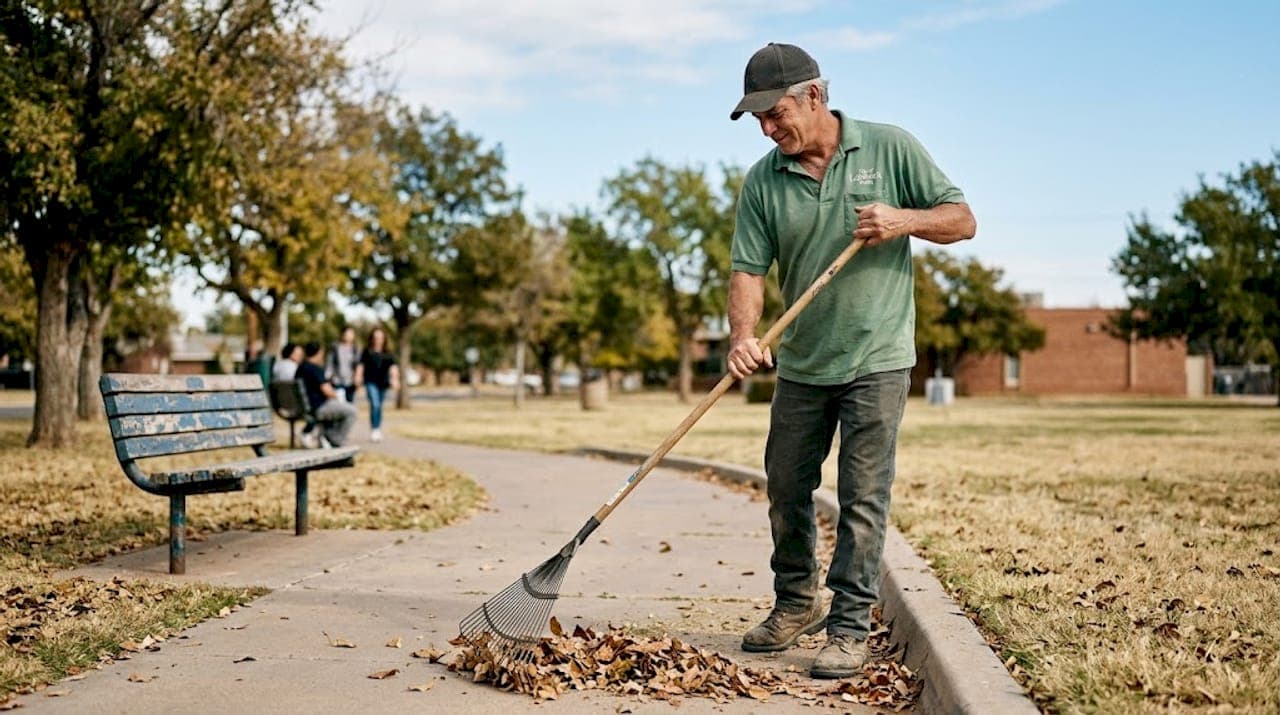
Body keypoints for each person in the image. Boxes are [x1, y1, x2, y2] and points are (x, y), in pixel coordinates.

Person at [726, 43, 976, 679]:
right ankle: (795, 602)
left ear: (814, 96)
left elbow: (962, 220)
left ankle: (847, 624)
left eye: (775, 112)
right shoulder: (764, 180)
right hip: (805, 362)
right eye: (758, 119)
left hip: (877, 357)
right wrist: (743, 337)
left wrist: (902, 220)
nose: (767, 128)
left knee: (863, 495)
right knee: (786, 484)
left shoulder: (889, 147)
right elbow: (748, 270)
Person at [296, 342, 357, 447]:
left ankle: (328, 436)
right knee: (351, 411)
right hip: (317, 407)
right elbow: (327, 390)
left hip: (304, 407)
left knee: (337, 408)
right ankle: (336, 439)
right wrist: (337, 395)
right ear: (319, 353)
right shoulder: (315, 369)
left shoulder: (300, 368)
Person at [354, 327, 399, 443]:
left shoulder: (388, 353)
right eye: (375, 337)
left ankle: (377, 428)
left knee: (379, 406)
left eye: (380, 338)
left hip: (383, 383)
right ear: (372, 339)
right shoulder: (367, 351)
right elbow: (361, 365)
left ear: (384, 339)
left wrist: (395, 379)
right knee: (375, 404)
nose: (378, 340)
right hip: (370, 382)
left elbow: (393, 367)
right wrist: (358, 377)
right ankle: (374, 429)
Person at [326, 326, 360, 403]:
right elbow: (329, 364)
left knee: (350, 404)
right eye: (347, 334)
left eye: (351, 334)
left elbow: (358, 365)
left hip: (350, 382)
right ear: (342, 334)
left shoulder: (355, 349)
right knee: (340, 404)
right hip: (337, 381)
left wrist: (357, 378)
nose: (349, 336)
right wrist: (327, 378)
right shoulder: (335, 347)